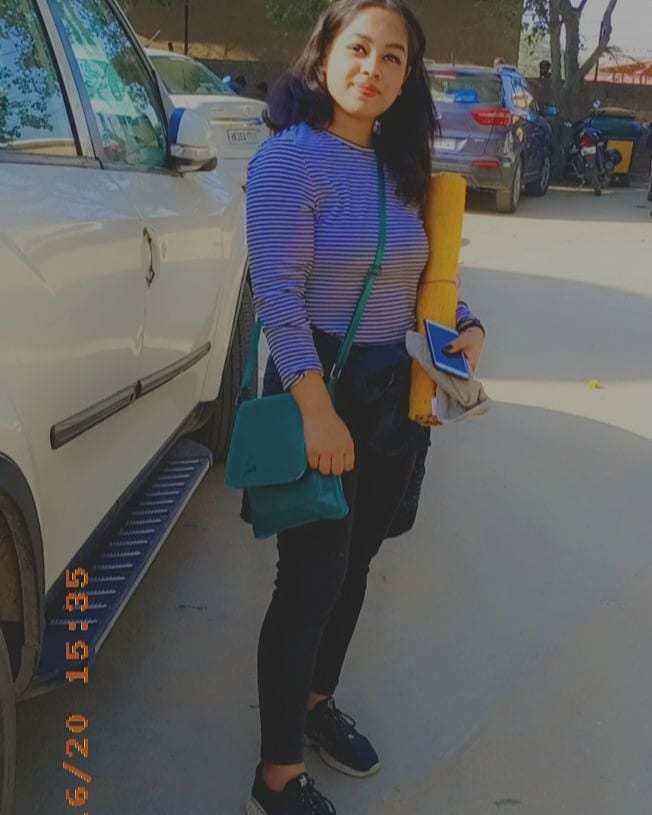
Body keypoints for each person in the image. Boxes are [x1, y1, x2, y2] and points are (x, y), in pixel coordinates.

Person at [243, 2, 486, 813]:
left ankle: (316, 703)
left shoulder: (400, 162)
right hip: (320, 383)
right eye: (357, 48)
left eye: (392, 57)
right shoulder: (289, 159)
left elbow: (417, 273)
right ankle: (275, 777)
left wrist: (467, 325)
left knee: (354, 567)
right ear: (324, 55)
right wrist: (316, 411)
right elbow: (278, 296)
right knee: (309, 581)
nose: (371, 69)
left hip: (392, 395)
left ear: (408, 75)